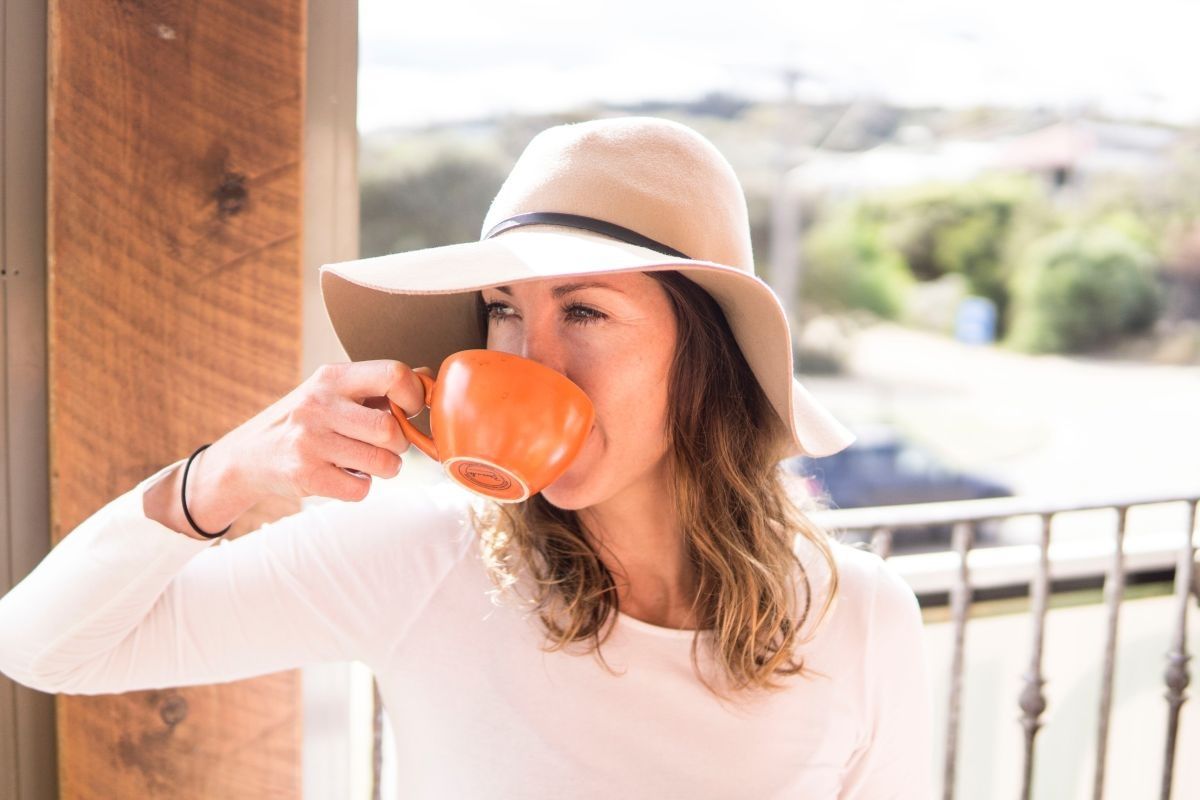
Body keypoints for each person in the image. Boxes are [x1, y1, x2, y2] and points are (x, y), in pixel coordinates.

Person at [0, 116, 933, 798]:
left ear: (708, 358)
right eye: (504, 310)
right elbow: (42, 648)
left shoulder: (860, 618)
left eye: (586, 311)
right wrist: (234, 469)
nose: (530, 359)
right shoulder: (424, 557)